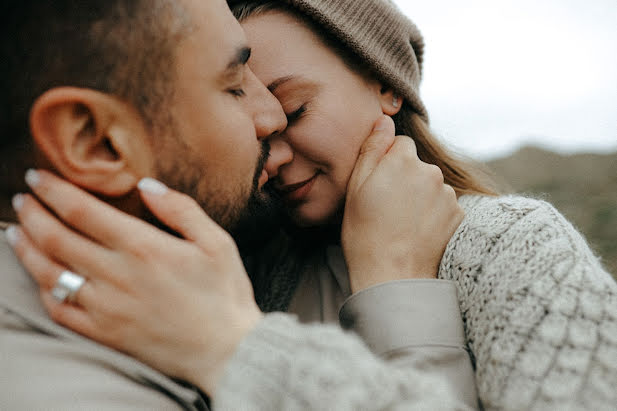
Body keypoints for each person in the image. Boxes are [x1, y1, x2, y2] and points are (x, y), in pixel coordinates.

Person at [8, 0, 617, 410]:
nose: (269, 138)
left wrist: (391, 285)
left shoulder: (509, 244)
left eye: (295, 109)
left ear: (385, 85)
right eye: (234, 94)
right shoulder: (230, 263)